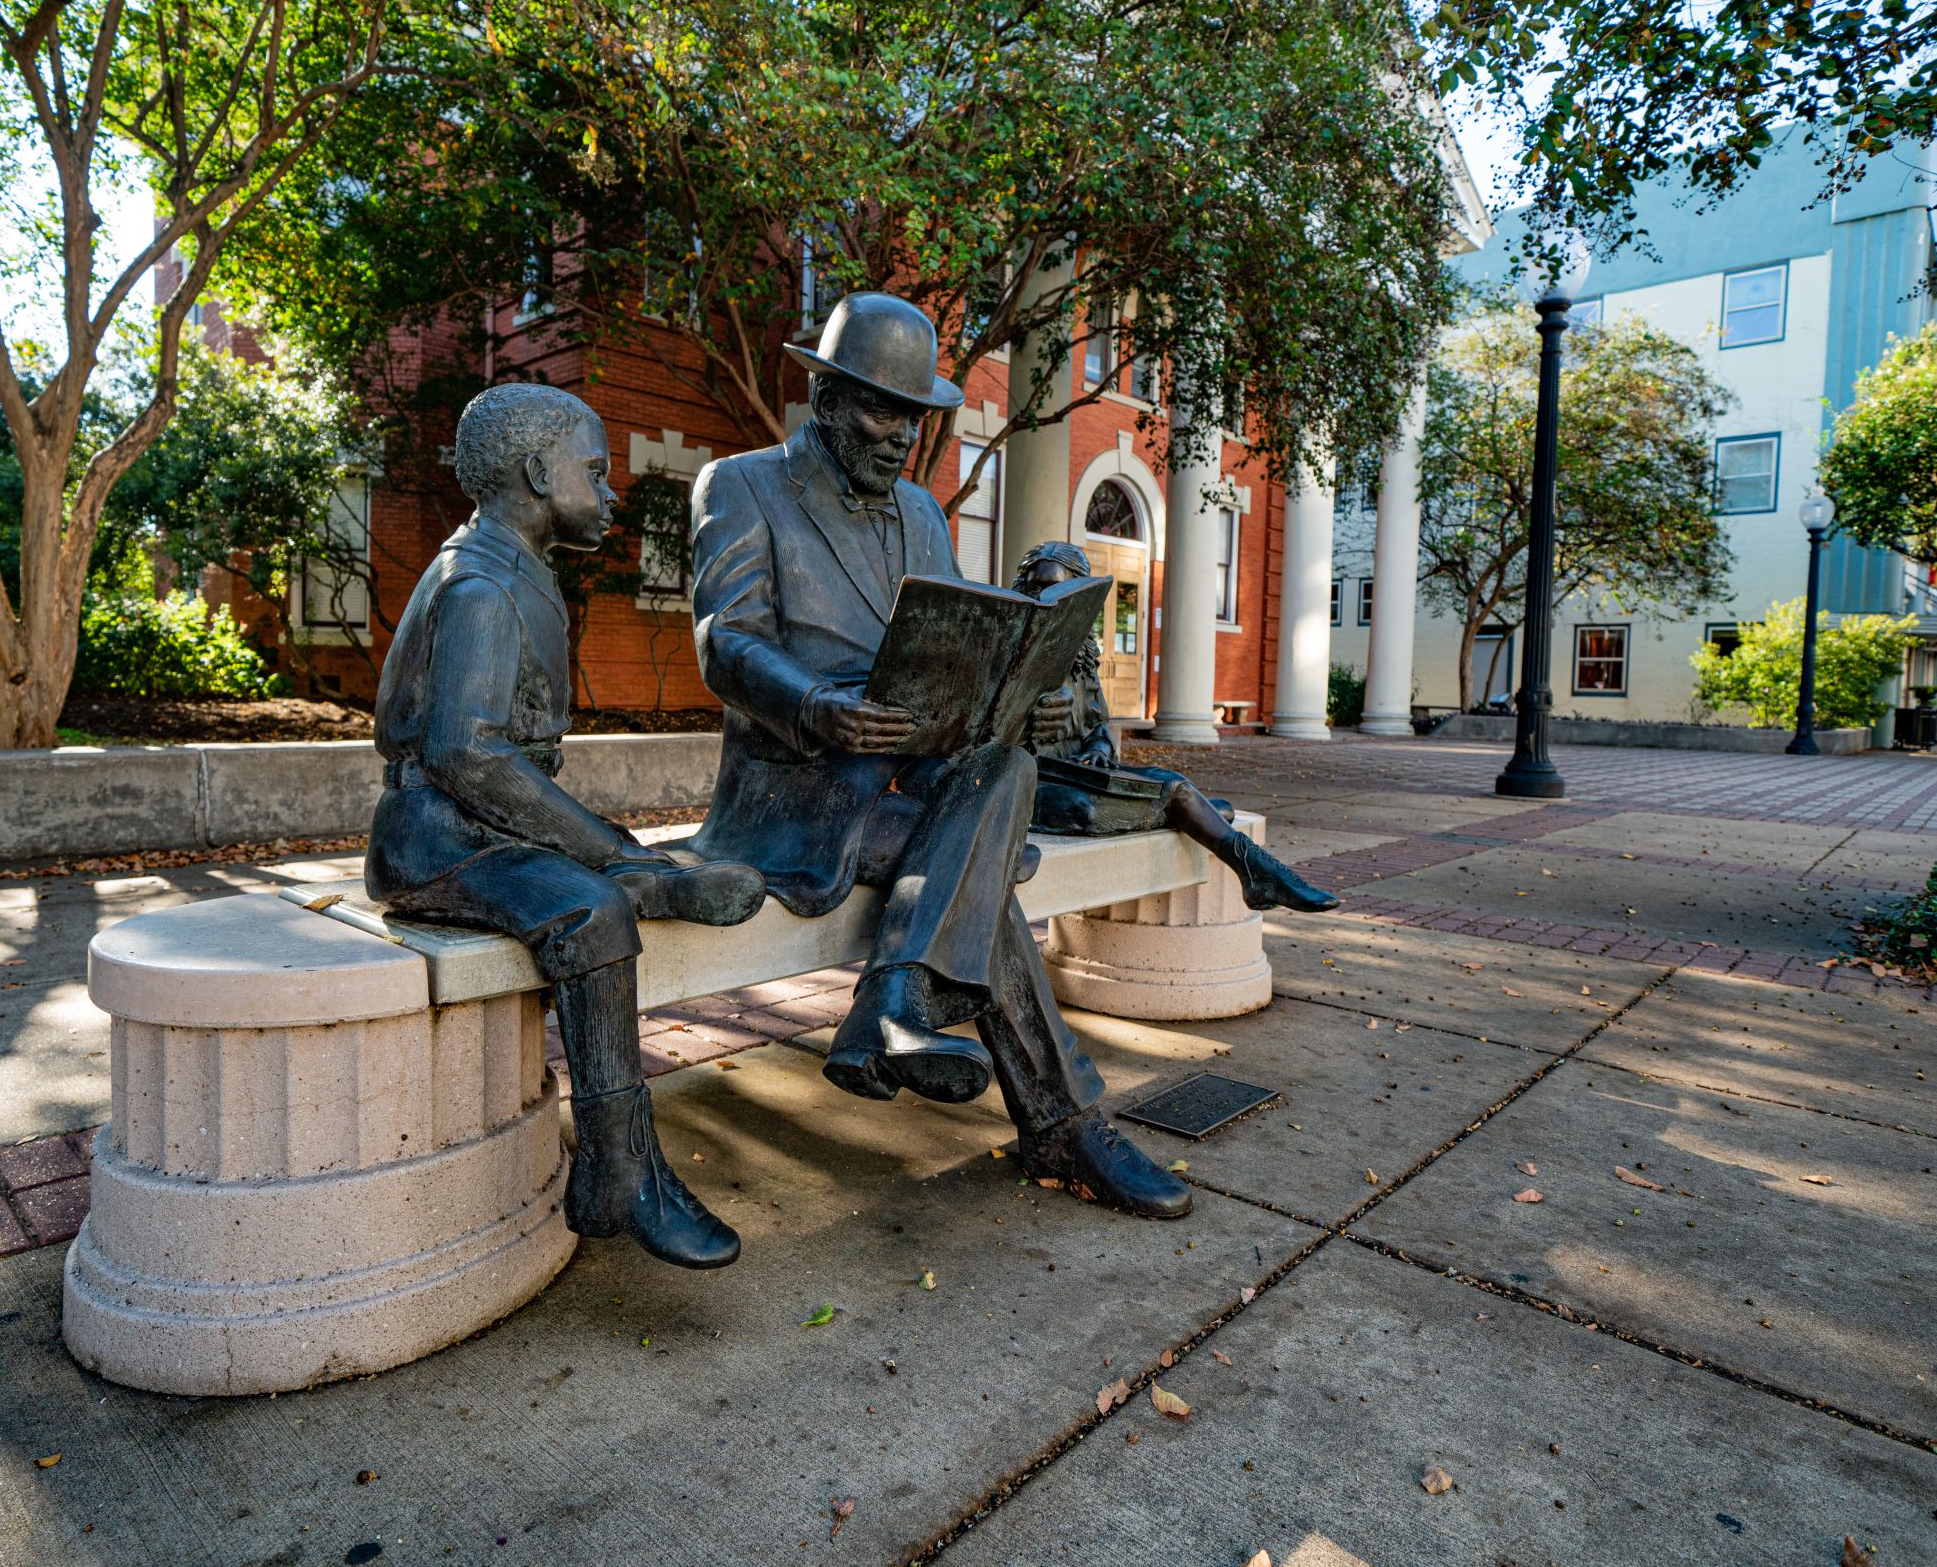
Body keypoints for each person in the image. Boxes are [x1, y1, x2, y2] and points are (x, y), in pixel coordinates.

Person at [684, 291, 1190, 1219]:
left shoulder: (920, 510)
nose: (900, 439)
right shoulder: (740, 485)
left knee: (1005, 770)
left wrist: (1015, 692)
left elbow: (957, 640)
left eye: (915, 420)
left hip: (918, 779)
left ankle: (895, 999)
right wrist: (816, 706)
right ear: (826, 396)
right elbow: (724, 639)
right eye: (882, 410)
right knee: (977, 880)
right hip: (799, 790)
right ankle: (1063, 1123)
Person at [367, 384, 766, 1270]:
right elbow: (469, 756)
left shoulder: (513, 569)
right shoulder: (477, 582)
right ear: (540, 474)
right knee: (591, 910)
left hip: (478, 822)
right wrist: (605, 852)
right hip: (436, 840)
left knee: (604, 872)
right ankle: (622, 1171)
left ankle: (643, 873)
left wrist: (602, 844)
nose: (612, 490)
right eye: (596, 470)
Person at [1010, 541, 1338, 913]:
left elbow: (1099, 726)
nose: (1044, 597)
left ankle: (1249, 865)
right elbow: (979, 742)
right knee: (1088, 810)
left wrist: (1099, 749)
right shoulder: (1007, 652)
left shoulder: (1080, 659)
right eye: (1036, 586)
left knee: (1172, 783)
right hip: (1028, 783)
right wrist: (1026, 719)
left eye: (1057, 588)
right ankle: (1195, 817)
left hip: (1080, 771)